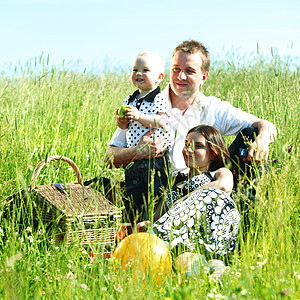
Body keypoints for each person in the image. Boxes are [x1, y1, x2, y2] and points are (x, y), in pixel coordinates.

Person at [104, 40, 277, 209]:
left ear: (203, 77)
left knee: (251, 133)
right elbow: (109, 157)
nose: (180, 76)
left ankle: (249, 218)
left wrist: (261, 140)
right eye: (176, 69)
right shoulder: (145, 105)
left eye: (189, 71)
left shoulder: (212, 107)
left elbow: (266, 126)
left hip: (208, 184)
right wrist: (137, 152)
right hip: (164, 191)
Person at [138, 125, 240, 258]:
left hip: (206, 238)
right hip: (175, 239)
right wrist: (145, 225)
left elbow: (223, 186)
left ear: (213, 153)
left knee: (213, 194)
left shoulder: (218, 173)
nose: (189, 150)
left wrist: (183, 202)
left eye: (198, 146)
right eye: (187, 144)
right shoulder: (176, 181)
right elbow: (158, 219)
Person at [115, 51, 171, 222]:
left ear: (159, 77)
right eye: (135, 69)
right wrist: (122, 121)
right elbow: (124, 127)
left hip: (156, 159)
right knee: (134, 194)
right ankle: (133, 221)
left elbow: (161, 120)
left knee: (152, 194)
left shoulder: (160, 98)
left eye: (145, 70)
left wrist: (139, 116)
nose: (138, 73)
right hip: (135, 158)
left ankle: (149, 221)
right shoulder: (130, 99)